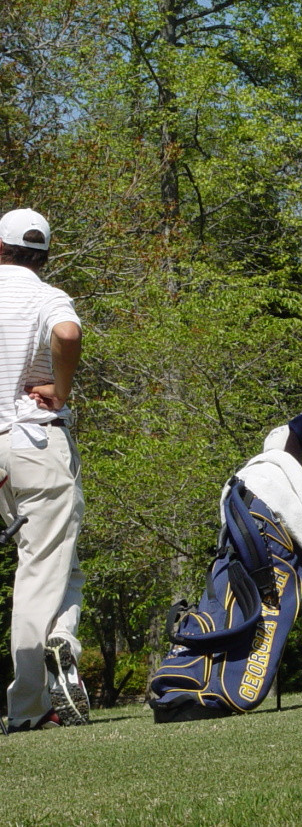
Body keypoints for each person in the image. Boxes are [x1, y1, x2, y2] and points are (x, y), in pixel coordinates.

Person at [0, 208, 89, 730]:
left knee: (58, 562)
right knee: (44, 565)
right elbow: (68, 334)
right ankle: (29, 706)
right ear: (44, 254)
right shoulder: (45, 295)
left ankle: (62, 642)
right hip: (36, 440)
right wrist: (63, 388)